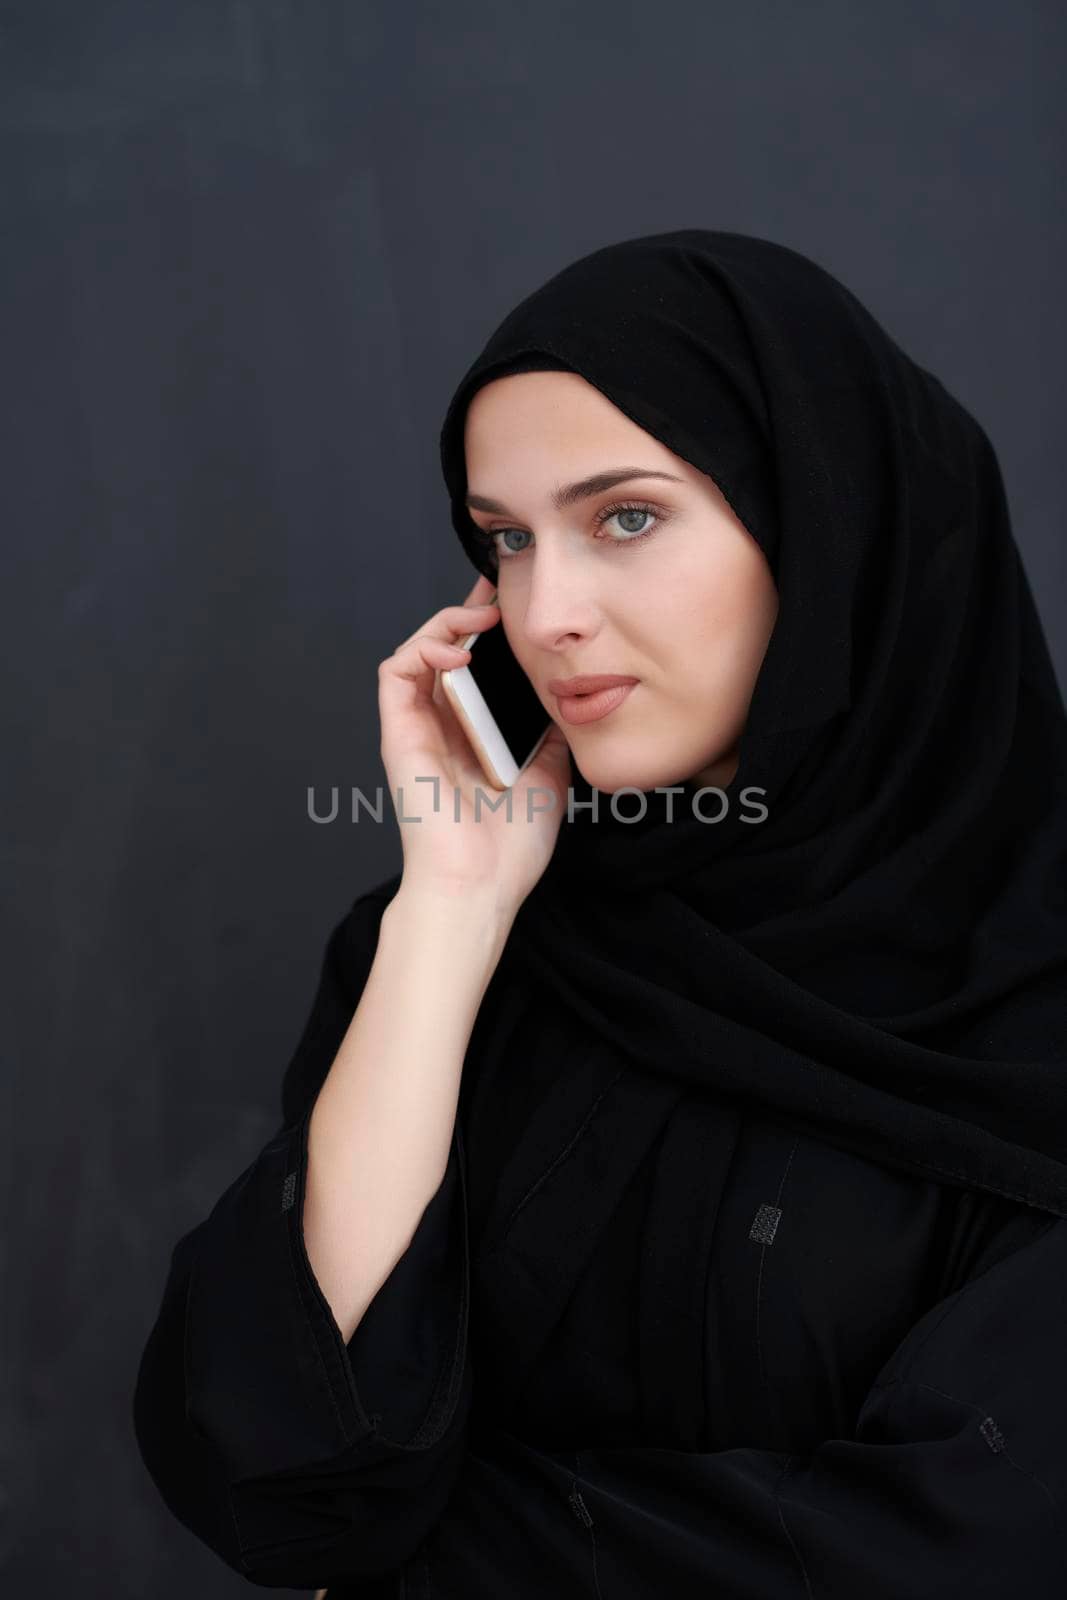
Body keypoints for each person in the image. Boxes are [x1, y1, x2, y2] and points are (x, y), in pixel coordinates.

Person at [132, 230, 1067, 1598]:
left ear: (830, 518)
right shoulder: (457, 950)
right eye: (503, 542)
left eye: (624, 518)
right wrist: (451, 912)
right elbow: (281, 1472)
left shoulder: (1031, 980)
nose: (544, 610)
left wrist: (427, 1565)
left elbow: (976, 1549)